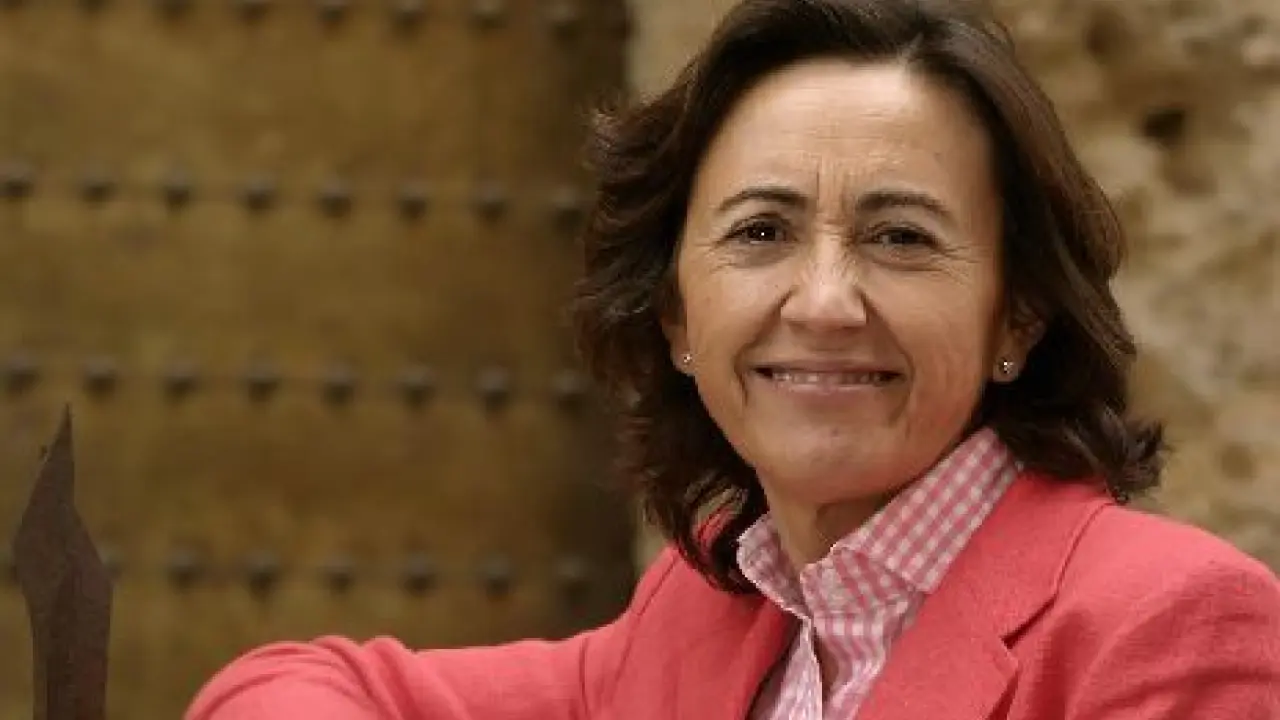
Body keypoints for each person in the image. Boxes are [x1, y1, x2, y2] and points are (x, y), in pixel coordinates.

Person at [186, 0, 1280, 718]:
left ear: (1018, 317)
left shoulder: (1170, 625)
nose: (824, 302)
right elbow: (292, 687)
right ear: (674, 313)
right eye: (760, 232)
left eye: (900, 238)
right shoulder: (714, 602)